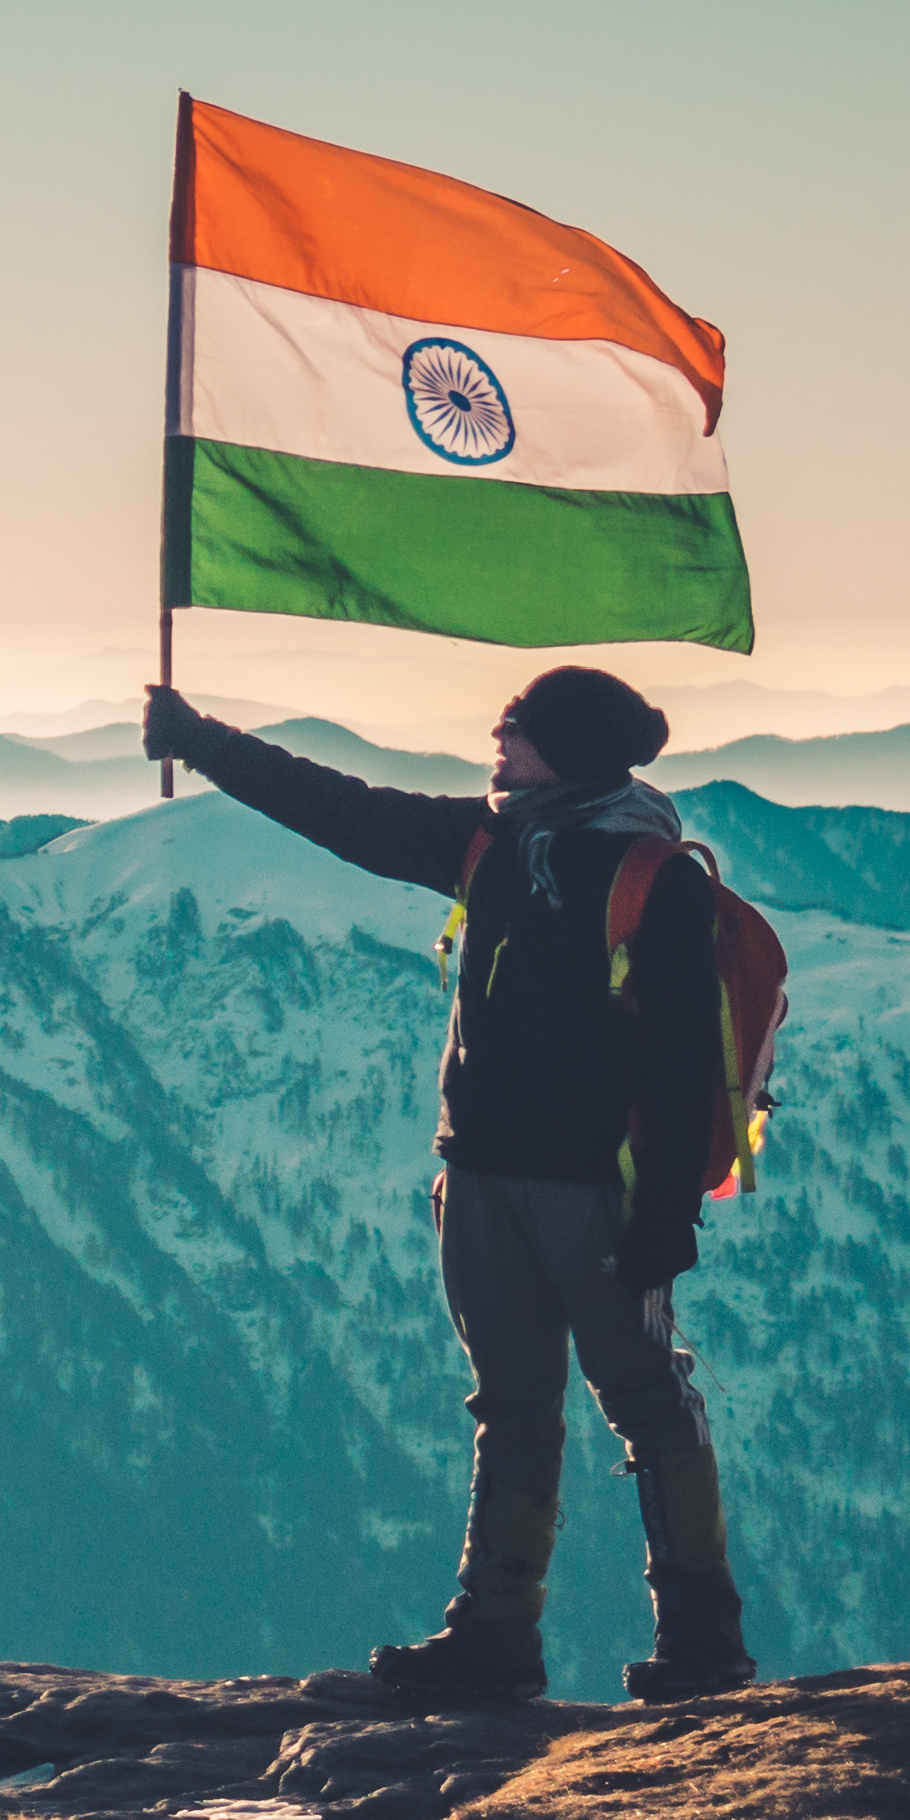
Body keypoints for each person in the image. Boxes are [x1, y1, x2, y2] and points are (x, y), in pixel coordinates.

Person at [142, 664, 755, 1707]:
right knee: (515, 1401)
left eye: (514, 729)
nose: (496, 739)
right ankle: (495, 1637)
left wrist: (664, 1217)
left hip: (584, 1195)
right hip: (479, 1179)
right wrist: (198, 740)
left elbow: (685, 1057)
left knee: (646, 1399)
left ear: (563, 748)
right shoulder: (492, 842)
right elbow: (338, 808)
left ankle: (702, 1641)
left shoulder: (654, 876)